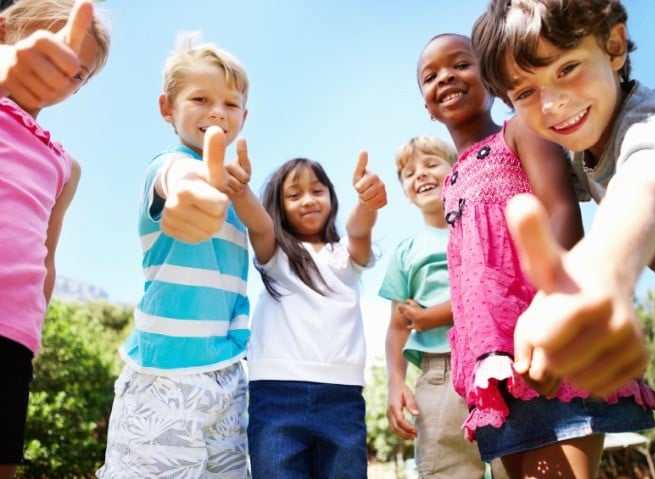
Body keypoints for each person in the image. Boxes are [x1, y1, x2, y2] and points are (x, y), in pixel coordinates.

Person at [418, 32, 655, 479]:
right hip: (497, 365)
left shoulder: (523, 129)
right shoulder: (451, 180)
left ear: (492, 78)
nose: (446, 78)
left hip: (551, 341)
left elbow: (559, 208)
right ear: (427, 106)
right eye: (431, 76)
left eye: (460, 64)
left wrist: (552, 303)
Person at [472, 0, 655, 398]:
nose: (552, 105)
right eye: (526, 91)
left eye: (567, 68)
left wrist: (600, 271)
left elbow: (644, 182)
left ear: (615, 45)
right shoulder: (578, 149)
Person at [97, 34, 273, 478]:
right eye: (200, 98)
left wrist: (240, 192)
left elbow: (265, 234)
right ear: (167, 108)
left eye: (230, 104)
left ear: (244, 117)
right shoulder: (167, 164)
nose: (217, 112)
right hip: (165, 375)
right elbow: (179, 177)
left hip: (228, 376)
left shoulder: (236, 194)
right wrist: (191, 188)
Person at [0, 1, 109, 476]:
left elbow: (47, 257)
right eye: (54, 53)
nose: (61, 75)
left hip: (11, 334)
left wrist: (33, 336)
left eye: (78, 74)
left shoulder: (66, 165)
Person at [247, 155, 386, 479]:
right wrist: (240, 190)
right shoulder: (275, 253)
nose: (308, 200)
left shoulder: (346, 255)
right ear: (279, 207)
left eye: (317, 190)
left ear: (332, 197)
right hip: (275, 392)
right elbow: (259, 224)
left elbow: (358, 229)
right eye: (294, 195)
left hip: (342, 395)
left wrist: (367, 202)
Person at [379, 135, 492, 478]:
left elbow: (490, 289)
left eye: (431, 164)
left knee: (514, 463)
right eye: (409, 173)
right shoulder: (406, 251)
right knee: (445, 468)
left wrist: (433, 316)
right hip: (438, 373)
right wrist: (395, 383)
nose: (421, 175)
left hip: (495, 360)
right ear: (404, 192)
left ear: (456, 170)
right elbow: (398, 325)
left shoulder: (482, 227)